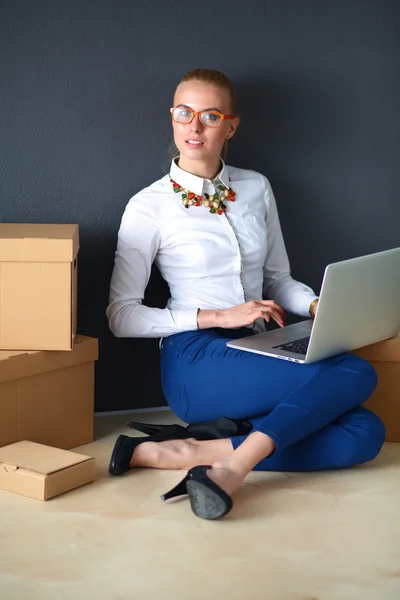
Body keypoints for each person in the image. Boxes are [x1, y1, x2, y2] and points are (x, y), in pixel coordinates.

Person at [106, 68, 385, 520]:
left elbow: (277, 280)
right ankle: (232, 467)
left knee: (364, 432)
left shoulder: (256, 187)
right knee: (356, 373)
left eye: (210, 116)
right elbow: (121, 316)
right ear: (172, 118)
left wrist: (318, 305)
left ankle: (185, 452)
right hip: (194, 360)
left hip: (261, 346)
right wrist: (216, 316)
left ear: (231, 125)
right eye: (184, 113)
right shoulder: (148, 206)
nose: (194, 127)